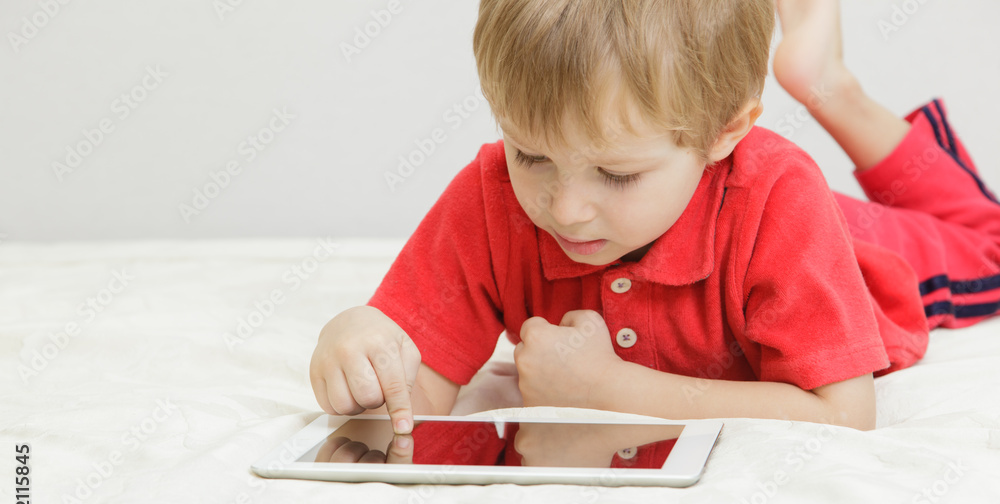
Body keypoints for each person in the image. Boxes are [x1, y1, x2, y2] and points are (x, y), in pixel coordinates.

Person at [308, 0, 1000, 464]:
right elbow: (412, 402)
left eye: (617, 173)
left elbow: (844, 415)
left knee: (991, 242)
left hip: (854, 245)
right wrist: (363, 359)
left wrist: (619, 396)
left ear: (727, 131)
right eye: (532, 154)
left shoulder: (782, 195)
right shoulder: (492, 198)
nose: (566, 207)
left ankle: (827, 82)